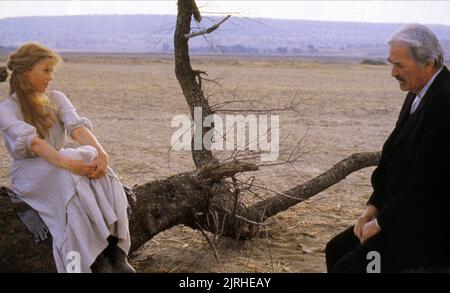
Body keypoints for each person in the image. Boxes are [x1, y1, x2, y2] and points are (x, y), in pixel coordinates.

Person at [0, 43, 135, 273]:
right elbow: (34, 143)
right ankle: (93, 258)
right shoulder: (6, 108)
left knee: (89, 154)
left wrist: (102, 155)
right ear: (26, 72)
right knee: (67, 172)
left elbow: (77, 128)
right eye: (45, 70)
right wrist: (71, 164)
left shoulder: (56, 98)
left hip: (59, 162)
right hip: (30, 172)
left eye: (52, 71)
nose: (51, 77)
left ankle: (115, 248)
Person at [325, 24, 450, 273]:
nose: (393, 72)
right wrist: (373, 206)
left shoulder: (445, 101)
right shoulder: (417, 93)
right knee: (336, 248)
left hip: (428, 228)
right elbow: (393, 156)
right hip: (401, 213)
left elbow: (428, 183)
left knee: (350, 269)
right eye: (391, 63)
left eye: (400, 65)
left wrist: (382, 222)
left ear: (429, 63)